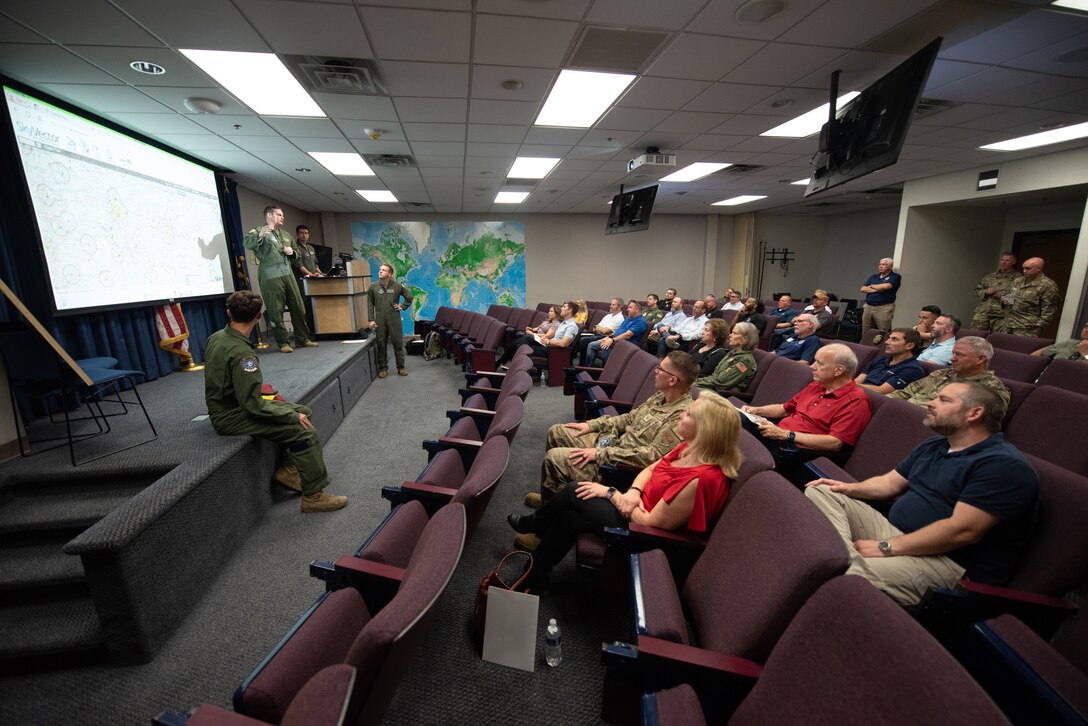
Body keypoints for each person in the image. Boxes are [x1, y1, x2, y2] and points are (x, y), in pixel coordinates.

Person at [805, 381, 1039, 606]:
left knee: (849, 576)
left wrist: (885, 547)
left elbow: (962, 531)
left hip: (946, 562)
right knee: (822, 490)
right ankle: (842, 557)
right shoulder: (936, 445)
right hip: (895, 533)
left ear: (974, 413)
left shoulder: (1003, 465)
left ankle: (841, 562)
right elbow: (889, 484)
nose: (930, 403)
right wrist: (847, 488)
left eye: (943, 400)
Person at [507, 392, 742, 590]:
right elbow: (650, 469)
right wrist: (634, 492)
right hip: (634, 508)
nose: (682, 413)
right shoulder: (690, 447)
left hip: (646, 537)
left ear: (705, 429)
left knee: (573, 491)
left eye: (689, 414)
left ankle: (535, 524)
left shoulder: (704, 479)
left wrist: (611, 493)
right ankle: (535, 578)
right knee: (570, 518)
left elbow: (652, 522)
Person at [204, 291, 347, 513]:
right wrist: (290, 415)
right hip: (231, 416)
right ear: (259, 317)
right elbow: (253, 405)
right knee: (304, 432)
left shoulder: (216, 337)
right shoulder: (244, 354)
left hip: (227, 406)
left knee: (304, 411)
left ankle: (289, 472)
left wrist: (294, 412)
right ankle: (313, 496)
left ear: (229, 312)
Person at [525, 351, 699, 517]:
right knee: (557, 432)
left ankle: (546, 526)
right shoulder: (660, 396)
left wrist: (600, 454)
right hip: (614, 444)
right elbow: (629, 419)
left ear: (672, 380)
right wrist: (592, 425)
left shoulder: (680, 416)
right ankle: (553, 498)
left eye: (660, 369)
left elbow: (651, 458)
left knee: (555, 459)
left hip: (619, 468)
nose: (655, 371)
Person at [742, 343, 871, 485]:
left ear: (838, 370)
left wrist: (786, 435)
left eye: (820, 363)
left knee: (738, 445)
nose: (812, 366)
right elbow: (784, 409)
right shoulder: (817, 385)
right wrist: (754, 410)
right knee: (734, 419)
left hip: (794, 450)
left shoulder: (856, 401)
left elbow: (835, 443)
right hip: (777, 434)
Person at [243, 206, 315, 353]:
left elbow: (297, 255)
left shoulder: (287, 235)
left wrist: (292, 252)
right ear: (269, 215)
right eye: (279, 214)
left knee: (298, 305)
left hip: (287, 272)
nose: (283, 217)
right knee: (275, 310)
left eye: (283, 215)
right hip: (270, 274)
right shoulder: (257, 231)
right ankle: (283, 342)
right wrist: (260, 235)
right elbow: (247, 243)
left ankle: (302, 338)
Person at [888, 336, 1010, 414]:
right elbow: (905, 393)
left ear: (980, 359)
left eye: (959, 355)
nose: (952, 359)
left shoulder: (991, 390)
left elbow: (973, 425)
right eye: (953, 354)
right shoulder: (941, 373)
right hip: (901, 414)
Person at [366, 262, 413, 378]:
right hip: (380, 319)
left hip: (394, 318)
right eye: (380, 269)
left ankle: (401, 367)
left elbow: (409, 297)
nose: (380, 271)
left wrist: (402, 307)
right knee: (381, 343)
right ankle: (383, 368)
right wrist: (371, 320)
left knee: (397, 343)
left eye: (384, 270)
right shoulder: (373, 286)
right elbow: (369, 304)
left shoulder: (397, 286)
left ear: (390, 273)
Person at [495, 302, 577, 368]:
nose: (561, 308)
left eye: (564, 307)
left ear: (570, 310)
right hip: (547, 346)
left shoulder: (571, 326)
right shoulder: (563, 323)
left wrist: (548, 341)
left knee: (522, 346)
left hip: (553, 351)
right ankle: (509, 363)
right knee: (524, 340)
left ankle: (504, 362)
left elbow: (563, 343)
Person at [997, 256, 1061, 337]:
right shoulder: (1017, 281)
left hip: (1027, 328)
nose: (1024, 271)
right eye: (1023, 268)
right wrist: (1004, 300)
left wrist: (1039, 328)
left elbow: (1049, 310)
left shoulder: (1048, 285)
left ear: (1039, 269)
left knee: (1018, 349)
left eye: (1028, 269)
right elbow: (1008, 298)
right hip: (1007, 325)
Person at [695, 321, 758, 394]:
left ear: (744, 339)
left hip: (720, 394)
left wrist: (696, 382)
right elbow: (715, 376)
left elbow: (720, 382)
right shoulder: (732, 353)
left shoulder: (744, 361)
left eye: (734, 333)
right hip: (709, 386)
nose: (730, 336)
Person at [855, 328, 925, 393]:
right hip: (857, 392)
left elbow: (881, 391)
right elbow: (858, 381)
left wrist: (849, 385)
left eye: (894, 339)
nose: (886, 342)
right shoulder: (880, 359)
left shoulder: (912, 369)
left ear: (909, 346)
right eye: (889, 338)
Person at [585, 299, 647, 366]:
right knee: (592, 345)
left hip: (626, 345)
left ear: (637, 309)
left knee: (605, 346)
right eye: (628, 307)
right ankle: (588, 368)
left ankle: (608, 368)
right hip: (617, 341)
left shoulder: (640, 322)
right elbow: (618, 332)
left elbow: (627, 335)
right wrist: (608, 338)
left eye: (630, 307)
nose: (627, 309)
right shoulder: (629, 319)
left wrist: (612, 340)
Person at [971, 251, 1021, 331]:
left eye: (1007, 260)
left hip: (1002, 315)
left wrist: (1000, 295)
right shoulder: (989, 276)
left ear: (1014, 262)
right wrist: (986, 292)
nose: (1004, 262)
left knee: (999, 339)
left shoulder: (1018, 278)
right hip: (983, 312)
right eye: (1002, 260)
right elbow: (977, 291)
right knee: (974, 337)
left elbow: (1019, 297)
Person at [860, 257, 902, 334]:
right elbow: (863, 289)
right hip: (868, 307)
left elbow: (885, 287)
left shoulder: (895, 277)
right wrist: (878, 289)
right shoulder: (873, 277)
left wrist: (871, 286)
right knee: (866, 331)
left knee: (884, 332)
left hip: (883, 308)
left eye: (884, 265)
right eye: (880, 264)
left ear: (890, 266)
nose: (880, 266)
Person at [577, 297, 624, 362]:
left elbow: (605, 331)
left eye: (613, 305)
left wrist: (600, 329)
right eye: (611, 304)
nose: (610, 306)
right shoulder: (608, 316)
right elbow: (595, 327)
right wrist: (600, 329)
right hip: (598, 334)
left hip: (605, 337)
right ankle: (581, 363)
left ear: (619, 307)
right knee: (580, 336)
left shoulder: (619, 318)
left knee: (584, 340)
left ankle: (586, 365)